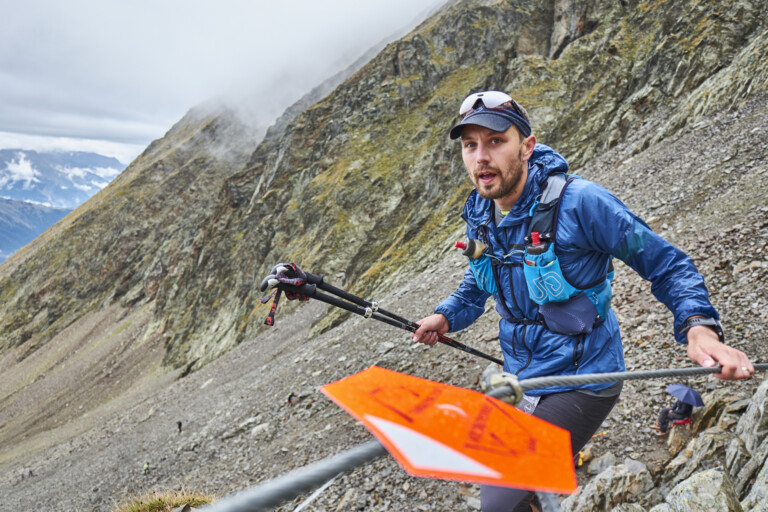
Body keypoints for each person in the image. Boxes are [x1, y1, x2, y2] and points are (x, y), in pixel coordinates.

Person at [412, 90, 754, 512]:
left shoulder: (581, 203)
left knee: (498, 500)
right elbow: (481, 279)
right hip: (523, 375)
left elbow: (667, 265)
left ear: (527, 146)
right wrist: (446, 316)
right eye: (470, 145)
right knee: (511, 491)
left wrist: (699, 328)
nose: (481, 157)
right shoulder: (482, 214)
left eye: (496, 141)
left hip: (583, 378)